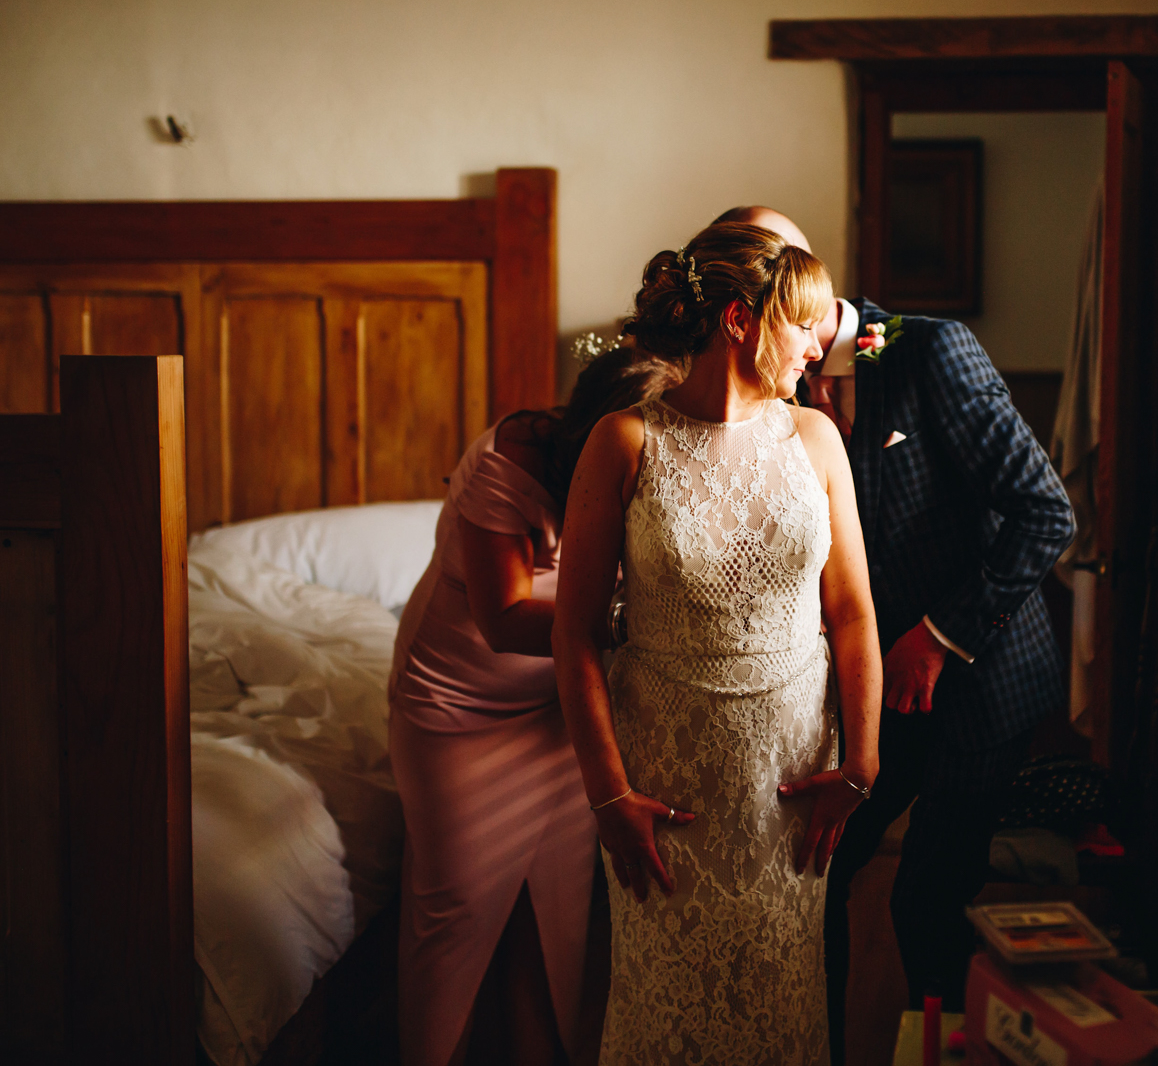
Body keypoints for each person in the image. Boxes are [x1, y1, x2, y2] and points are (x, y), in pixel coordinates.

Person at [716, 207, 1075, 1063]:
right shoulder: (769, 379)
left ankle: (940, 1049)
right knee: (822, 873)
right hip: (876, 681)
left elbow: (1045, 510)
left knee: (927, 898)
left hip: (980, 673)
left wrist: (941, 635)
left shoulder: (925, 349)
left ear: (803, 281)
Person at [551, 221, 882, 1065]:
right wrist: (607, 795)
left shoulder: (814, 439)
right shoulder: (624, 441)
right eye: (801, 322)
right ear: (740, 320)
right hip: (666, 794)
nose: (820, 342)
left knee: (782, 1005)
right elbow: (578, 632)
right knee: (666, 1016)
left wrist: (862, 763)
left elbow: (851, 612)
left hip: (791, 788)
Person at [388, 347, 681, 1066]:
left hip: (557, 708)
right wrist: (633, 622)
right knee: (454, 907)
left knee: (549, 917)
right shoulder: (509, 462)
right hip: (458, 707)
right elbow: (503, 616)